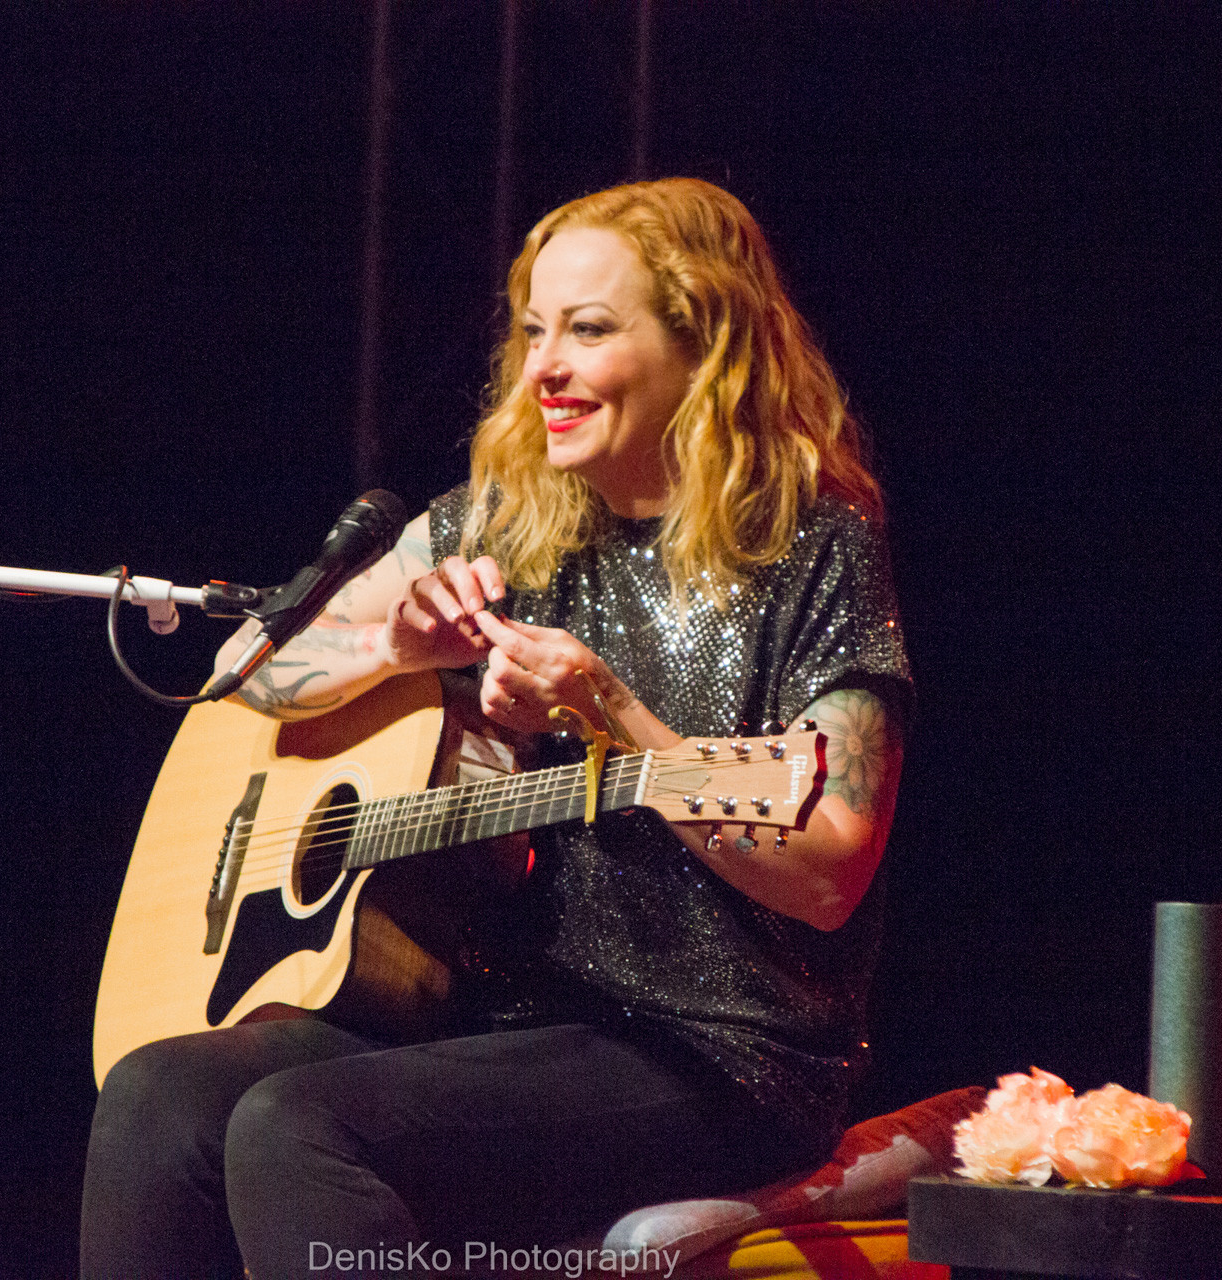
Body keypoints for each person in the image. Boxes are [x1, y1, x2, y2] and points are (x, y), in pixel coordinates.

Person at [80, 177, 911, 1279]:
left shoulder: (814, 549)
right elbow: (247, 671)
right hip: (505, 1012)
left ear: (702, 342)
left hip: (719, 1051)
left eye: (588, 330)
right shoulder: (508, 520)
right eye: (533, 331)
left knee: (298, 1124)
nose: (543, 370)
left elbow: (831, 863)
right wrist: (396, 649)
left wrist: (611, 709)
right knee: (159, 1088)